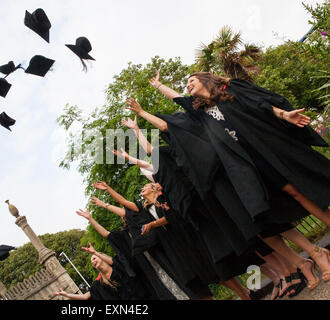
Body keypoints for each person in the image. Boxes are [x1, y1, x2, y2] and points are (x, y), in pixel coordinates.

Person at [124, 76, 330, 289]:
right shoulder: (199, 118)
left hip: (248, 162)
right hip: (233, 177)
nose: (188, 85)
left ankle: (314, 254)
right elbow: (158, 138)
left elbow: (258, 105)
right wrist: (140, 120)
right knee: (266, 221)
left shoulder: (215, 106)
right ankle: (308, 259)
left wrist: (284, 114)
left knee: (289, 202)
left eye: (192, 80)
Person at [90, 183, 215, 300]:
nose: (123, 213)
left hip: (162, 251)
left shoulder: (139, 210)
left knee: (185, 282)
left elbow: (122, 201)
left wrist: (107, 191)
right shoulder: (129, 231)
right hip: (151, 263)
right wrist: (98, 210)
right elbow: (110, 229)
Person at [75, 208, 178, 300]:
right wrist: (90, 219)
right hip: (144, 276)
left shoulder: (145, 225)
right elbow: (107, 234)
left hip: (162, 262)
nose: (124, 217)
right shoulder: (123, 236)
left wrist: (105, 204)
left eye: (126, 214)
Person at [53, 254, 120, 300]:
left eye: (94, 258)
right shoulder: (98, 283)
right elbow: (85, 297)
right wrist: (67, 295)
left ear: (101, 256)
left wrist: (94, 252)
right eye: (91, 262)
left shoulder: (120, 267)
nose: (93, 261)